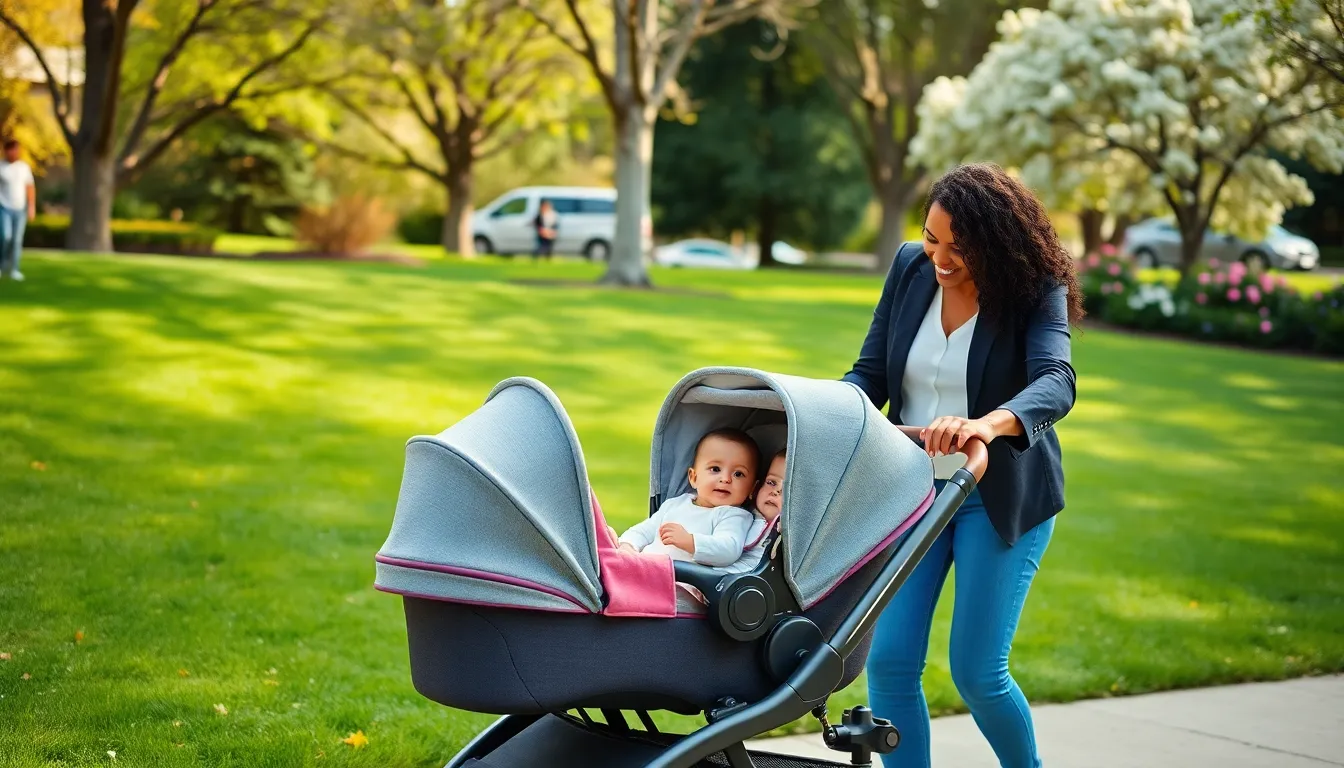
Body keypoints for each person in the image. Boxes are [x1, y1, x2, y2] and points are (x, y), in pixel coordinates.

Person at [842, 163, 1081, 768]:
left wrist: (985, 424)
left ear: (996, 244)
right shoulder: (909, 267)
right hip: (912, 496)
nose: (940, 258)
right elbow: (869, 374)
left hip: (999, 499)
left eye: (960, 246)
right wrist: (823, 413)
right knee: (890, 664)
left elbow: (1056, 382)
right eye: (932, 237)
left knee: (978, 673)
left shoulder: (1034, 287)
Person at [613, 428, 758, 566]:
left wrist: (691, 542)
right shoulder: (676, 504)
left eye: (738, 474)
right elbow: (645, 530)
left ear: (752, 488)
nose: (726, 479)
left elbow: (729, 550)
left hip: (682, 583)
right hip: (648, 568)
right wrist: (628, 544)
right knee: (609, 542)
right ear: (693, 477)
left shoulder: (733, 515)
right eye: (715, 469)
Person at [723, 448, 786, 574]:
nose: (776, 491)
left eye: (787, 489)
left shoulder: (790, 530)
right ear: (756, 488)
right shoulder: (740, 513)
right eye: (771, 482)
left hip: (753, 580)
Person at [0, 139, 36, 281]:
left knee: (17, 240)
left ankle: (15, 268)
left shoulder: (24, 168)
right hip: (4, 207)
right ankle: (2, 264)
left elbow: (30, 187)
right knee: (6, 236)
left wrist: (31, 206)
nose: (14, 152)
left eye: (16, 149)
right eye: (11, 150)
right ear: (6, 151)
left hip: (20, 209)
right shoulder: (1, 167)